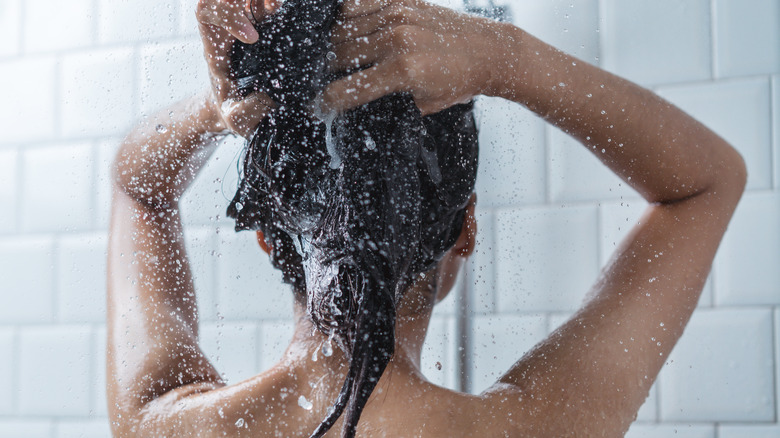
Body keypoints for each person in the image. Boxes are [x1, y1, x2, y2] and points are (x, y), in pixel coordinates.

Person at [106, 0, 747, 436]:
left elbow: (139, 185)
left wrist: (228, 103)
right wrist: (509, 60)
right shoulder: (532, 429)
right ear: (465, 230)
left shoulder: (166, 425)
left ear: (272, 239)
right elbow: (706, 183)